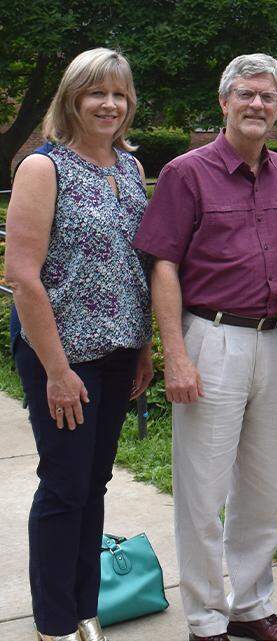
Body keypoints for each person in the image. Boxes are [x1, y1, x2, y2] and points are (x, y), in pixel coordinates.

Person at [133, 54, 277, 641]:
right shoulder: (187, 172)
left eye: (268, 97)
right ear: (224, 101)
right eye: (246, 94)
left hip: (272, 339)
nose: (257, 104)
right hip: (212, 337)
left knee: (265, 487)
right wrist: (174, 353)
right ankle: (205, 620)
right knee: (203, 489)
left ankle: (251, 607)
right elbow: (162, 264)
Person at [7, 47, 153, 641]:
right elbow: (22, 275)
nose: (110, 104)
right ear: (72, 98)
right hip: (62, 356)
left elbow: (134, 266)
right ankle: (54, 623)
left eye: (119, 94)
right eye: (97, 93)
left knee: (95, 483)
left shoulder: (129, 168)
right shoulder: (44, 168)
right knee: (65, 486)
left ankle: (86, 609)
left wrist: (143, 347)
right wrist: (57, 371)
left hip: (119, 354)